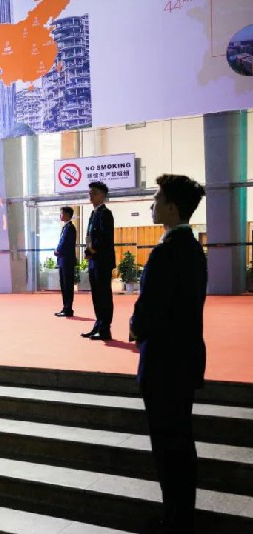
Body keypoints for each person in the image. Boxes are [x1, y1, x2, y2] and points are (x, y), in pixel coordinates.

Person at [130, 174, 207, 534]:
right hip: (185, 358)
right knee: (181, 443)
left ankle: (175, 520)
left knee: (167, 446)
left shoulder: (166, 252)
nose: (153, 205)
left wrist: (136, 327)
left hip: (163, 362)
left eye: (158, 199)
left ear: (172, 208)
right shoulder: (193, 249)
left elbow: (151, 307)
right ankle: (181, 515)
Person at [81, 181, 115, 340]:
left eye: (94, 192)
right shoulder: (93, 213)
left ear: (102, 195)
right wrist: (88, 251)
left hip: (102, 260)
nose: (91, 195)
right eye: (90, 193)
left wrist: (93, 249)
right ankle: (98, 325)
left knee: (103, 295)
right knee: (96, 294)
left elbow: (105, 237)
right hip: (94, 259)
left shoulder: (105, 213)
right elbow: (90, 236)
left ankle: (105, 329)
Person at [54, 206, 77, 317]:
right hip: (63, 260)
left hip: (67, 260)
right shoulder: (66, 227)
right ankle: (65, 307)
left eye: (62, 213)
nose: (60, 215)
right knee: (64, 285)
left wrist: (57, 250)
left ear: (67, 215)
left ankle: (68, 308)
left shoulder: (70, 228)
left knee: (67, 285)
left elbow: (64, 243)